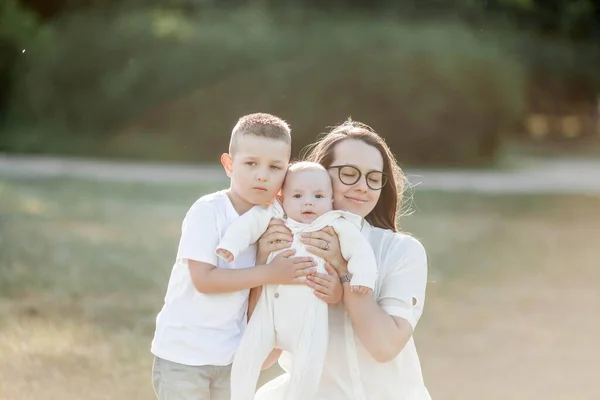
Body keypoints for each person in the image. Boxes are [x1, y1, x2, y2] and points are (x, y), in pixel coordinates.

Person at [255, 119, 431, 399]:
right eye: (349, 173)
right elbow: (263, 356)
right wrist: (265, 269)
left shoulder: (400, 251)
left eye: (373, 178)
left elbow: (384, 346)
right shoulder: (281, 243)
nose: (363, 186)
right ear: (319, 174)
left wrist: (344, 270)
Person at [150, 113, 318, 400]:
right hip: (184, 355)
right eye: (251, 163)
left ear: (286, 173)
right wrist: (270, 272)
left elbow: (256, 294)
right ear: (229, 164)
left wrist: (266, 258)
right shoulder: (209, 211)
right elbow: (204, 280)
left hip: (231, 356)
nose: (262, 175)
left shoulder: (273, 221)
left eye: (275, 167)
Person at [215, 161, 377, 400]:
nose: (308, 202)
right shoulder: (273, 216)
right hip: (268, 311)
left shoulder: (334, 223)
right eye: (298, 195)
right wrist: (230, 245)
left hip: (308, 318)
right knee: (245, 360)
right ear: (281, 198)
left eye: (318, 196)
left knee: (306, 372)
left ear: (331, 200)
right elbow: (246, 226)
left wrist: (363, 277)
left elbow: (360, 250)